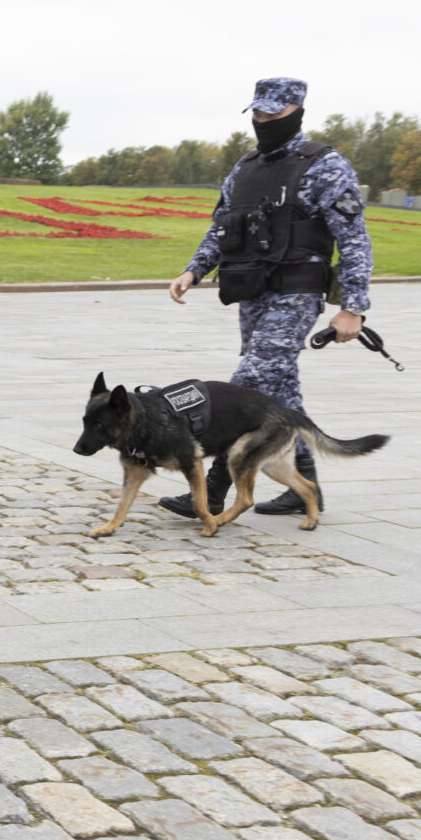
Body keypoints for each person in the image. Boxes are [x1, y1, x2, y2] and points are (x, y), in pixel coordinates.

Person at [164, 77, 372, 518]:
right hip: (252, 293)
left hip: (296, 293)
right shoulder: (244, 169)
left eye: (273, 113)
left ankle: (211, 491)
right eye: (257, 112)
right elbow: (222, 228)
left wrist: (353, 307)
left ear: (296, 111)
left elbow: (354, 239)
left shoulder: (325, 165)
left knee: (248, 385)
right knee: (280, 396)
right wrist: (193, 270)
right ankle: (302, 488)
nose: (263, 120)